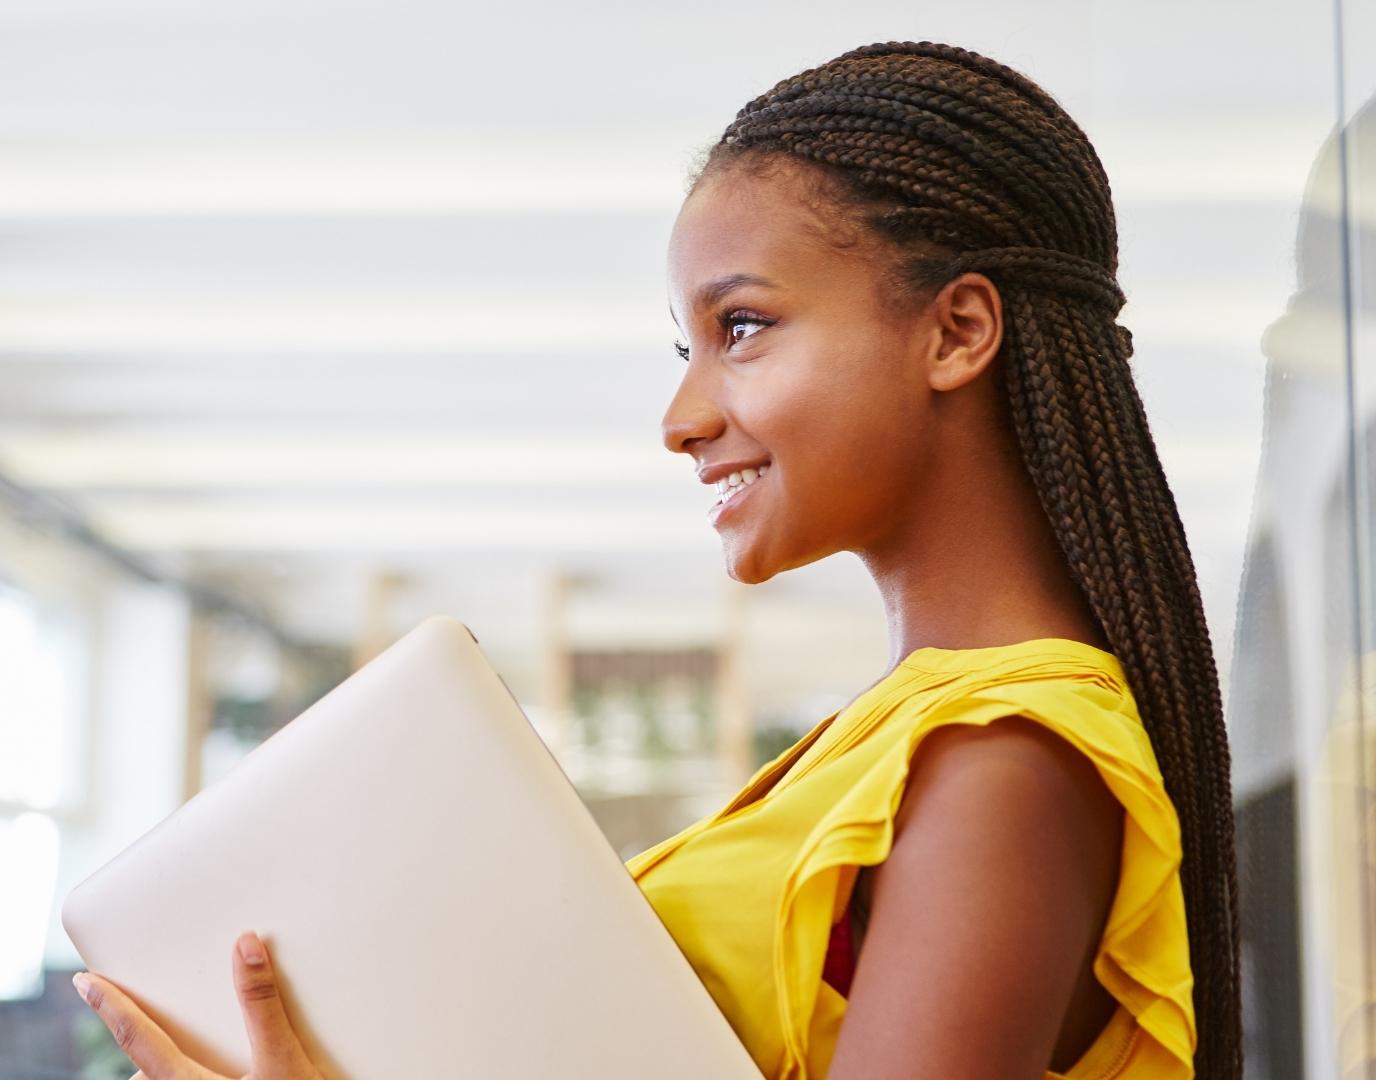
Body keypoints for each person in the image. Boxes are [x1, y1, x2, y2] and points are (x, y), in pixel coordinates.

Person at [68, 40, 1242, 1080]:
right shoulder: (906, 742)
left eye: (742, 328)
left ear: (957, 331)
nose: (682, 415)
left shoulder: (1005, 759)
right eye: (689, 346)